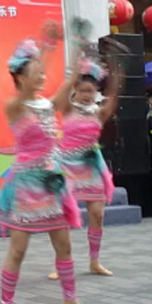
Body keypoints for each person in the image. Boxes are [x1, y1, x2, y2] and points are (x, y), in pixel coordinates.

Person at [0, 23, 97, 304]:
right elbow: (24, 96)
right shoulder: (14, 106)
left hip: (52, 182)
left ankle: (70, 298)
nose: (42, 76)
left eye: (42, 72)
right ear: (19, 77)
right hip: (27, 185)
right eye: (35, 72)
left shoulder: (46, 104)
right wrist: (45, 50)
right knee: (19, 248)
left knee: (63, 245)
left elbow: (69, 83)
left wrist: (76, 52)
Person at [51, 25, 123, 278]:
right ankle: (61, 263)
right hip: (67, 165)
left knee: (97, 214)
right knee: (63, 215)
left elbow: (114, 93)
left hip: (91, 165)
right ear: (75, 91)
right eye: (82, 91)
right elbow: (69, 81)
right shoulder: (67, 109)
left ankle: (94, 260)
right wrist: (78, 52)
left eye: (90, 91)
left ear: (95, 93)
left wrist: (115, 66)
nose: (85, 95)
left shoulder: (99, 113)